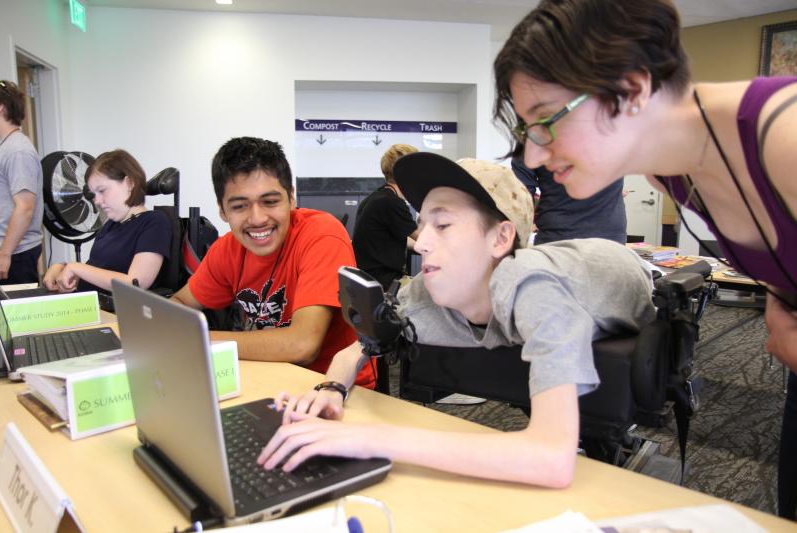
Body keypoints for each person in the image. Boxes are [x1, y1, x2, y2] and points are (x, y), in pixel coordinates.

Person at [491, 0, 797, 515]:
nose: (534, 155)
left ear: (631, 90)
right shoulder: (669, 170)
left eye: (545, 121)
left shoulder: (784, 137)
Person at [255, 153, 655, 487]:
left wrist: (371, 438)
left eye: (443, 225)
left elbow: (552, 457)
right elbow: (356, 349)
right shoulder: (424, 291)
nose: (423, 241)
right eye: (423, 223)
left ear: (499, 238)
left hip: (616, 267)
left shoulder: (536, 289)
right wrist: (331, 389)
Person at [169, 137, 375, 388]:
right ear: (223, 211)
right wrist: (161, 327)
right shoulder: (226, 249)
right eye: (240, 206)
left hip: (335, 385)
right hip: (268, 377)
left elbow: (302, 344)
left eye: (270, 202)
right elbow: (180, 302)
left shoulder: (322, 235)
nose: (257, 219)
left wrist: (196, 339)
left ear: (291, 198)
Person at [42, 149, 172, 293]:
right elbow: (94, 273)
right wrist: (62, 268)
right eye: (94, 194)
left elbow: (136, 283)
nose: (96, 201)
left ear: (129, 183)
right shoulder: (110, 226)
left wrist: (76, 268)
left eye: (102, 191)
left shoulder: (154, 222)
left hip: (115, 312)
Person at [510, 150, 627, 245]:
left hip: (559, 237)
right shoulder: (617, 130)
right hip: (610, 236)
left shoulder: (533, 140)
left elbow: (521, 200)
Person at [352, 143, 420, 290]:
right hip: (384, 283)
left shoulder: (378, 196)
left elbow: (401, 234)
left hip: (368, 280)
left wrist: (420, 246)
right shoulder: (392, 202)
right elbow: (422, 238)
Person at [0, 80, 43, 284]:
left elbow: (25, 208)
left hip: (15, 256)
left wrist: (4, 254)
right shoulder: (6, 147)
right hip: (7, 253)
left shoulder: (17, 150)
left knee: (14, 316)